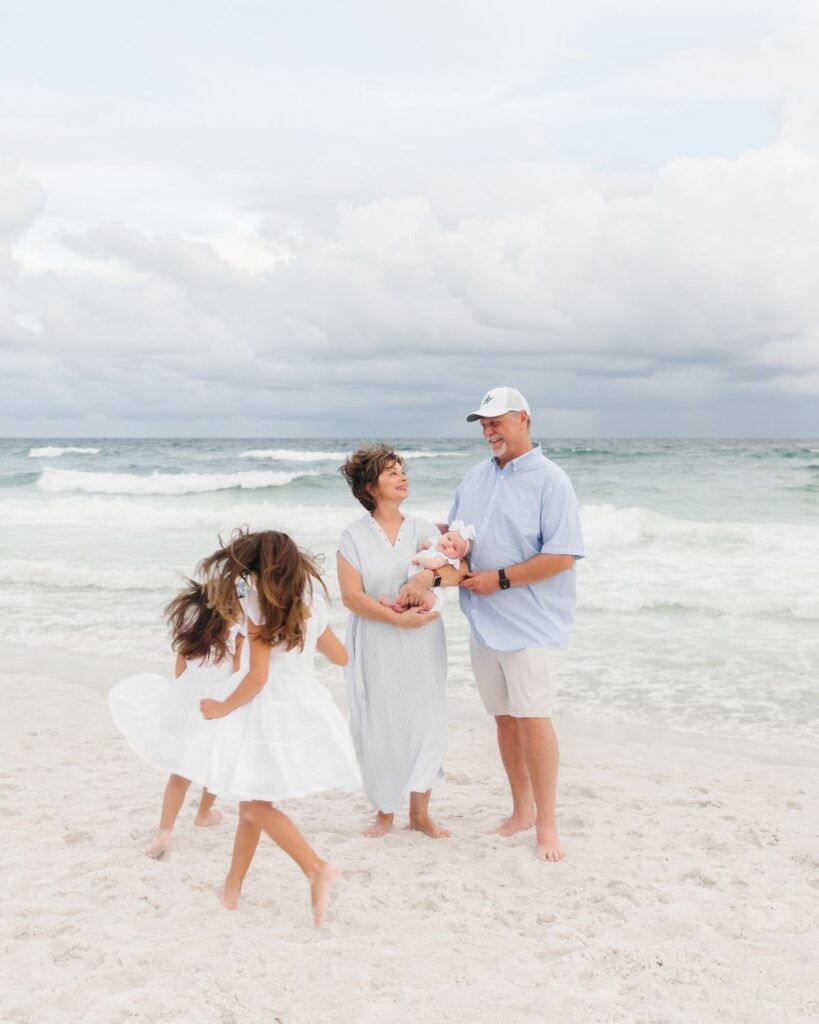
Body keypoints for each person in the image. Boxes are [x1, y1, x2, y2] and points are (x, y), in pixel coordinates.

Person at [400, 387, 584, 862]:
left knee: (533, 719)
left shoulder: (551, 481)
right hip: (483, 621)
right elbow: (458, 540)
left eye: (496, 421)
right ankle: (521, 810)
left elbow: (562, 555)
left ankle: (547, 824)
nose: (488, 430)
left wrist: (500, 579)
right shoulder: (475, 478)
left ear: (523, 418)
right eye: (483, 423)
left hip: (533, 624)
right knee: (503, 719)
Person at [196, 529, 361, 926]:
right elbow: (340, 657)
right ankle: (231, 888)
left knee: (254, 803)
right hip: (303, 706)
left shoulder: (258, 605)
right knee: (253, 802)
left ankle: (316, 867)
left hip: (267, 711)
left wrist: (221, 707)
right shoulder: (313, 603)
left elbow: (257, 677)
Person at [337, 444, 459, 839]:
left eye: (402, 469)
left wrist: (427, 587)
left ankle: (420, 815)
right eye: (391, 472)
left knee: (425, 718)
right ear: (370, 486)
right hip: (376, 637)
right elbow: (352, 596)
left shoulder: (425, 530)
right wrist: (395, 620)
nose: (402, 476)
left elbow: (453, 574)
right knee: (381, 721)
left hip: (422, 638)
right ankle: (384, 811)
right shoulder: (353, 536)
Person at [109, 578, 245, 859]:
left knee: (180, 773)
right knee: (216, 764)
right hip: (216, 707)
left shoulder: (191, 636)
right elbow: (238, 676)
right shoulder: (237, 639)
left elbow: (180, 674)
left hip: (186, 706)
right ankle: (204, 813)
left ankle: (165, 832)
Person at [379, 520, 476, 613]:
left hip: (432, 594)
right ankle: (402, 608)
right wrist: (424, 544)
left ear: (458, 557)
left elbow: (433, 564)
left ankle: (395, 603)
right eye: (449, 538)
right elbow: (423, 546)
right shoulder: (436, 548)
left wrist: (420, 560)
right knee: (406, 589)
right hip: (422, 586)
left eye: (454, 547)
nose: (449, 544)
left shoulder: (443, 558)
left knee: (414, 592)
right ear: (444, 534)